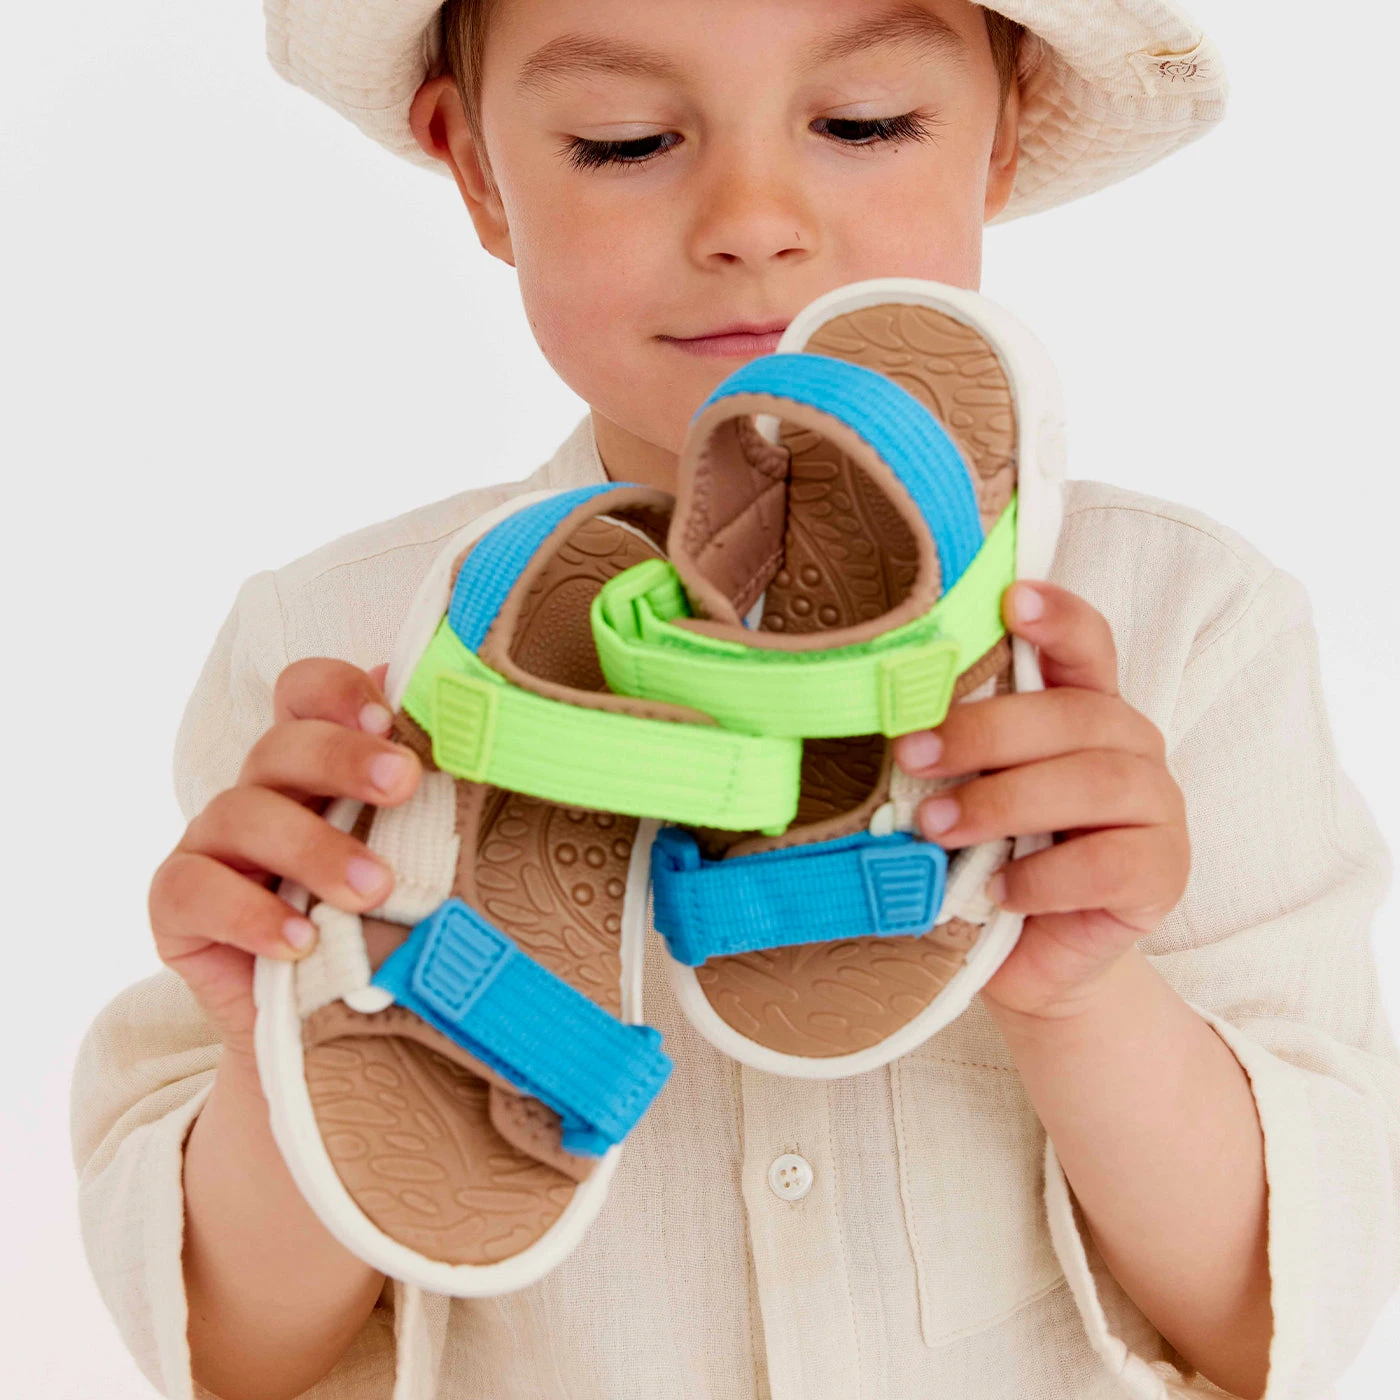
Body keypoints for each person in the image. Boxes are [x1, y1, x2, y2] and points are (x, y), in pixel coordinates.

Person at [71, 2, 1400, 1398]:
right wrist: (276, 1044)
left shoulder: (1185, 623)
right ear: (478, 171)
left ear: (1001, 135)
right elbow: (238, 1356)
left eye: (864, 123)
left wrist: (1082, 994)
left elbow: (1283, 1310)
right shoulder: (336, 662)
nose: (753, 221)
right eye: (625, 141)